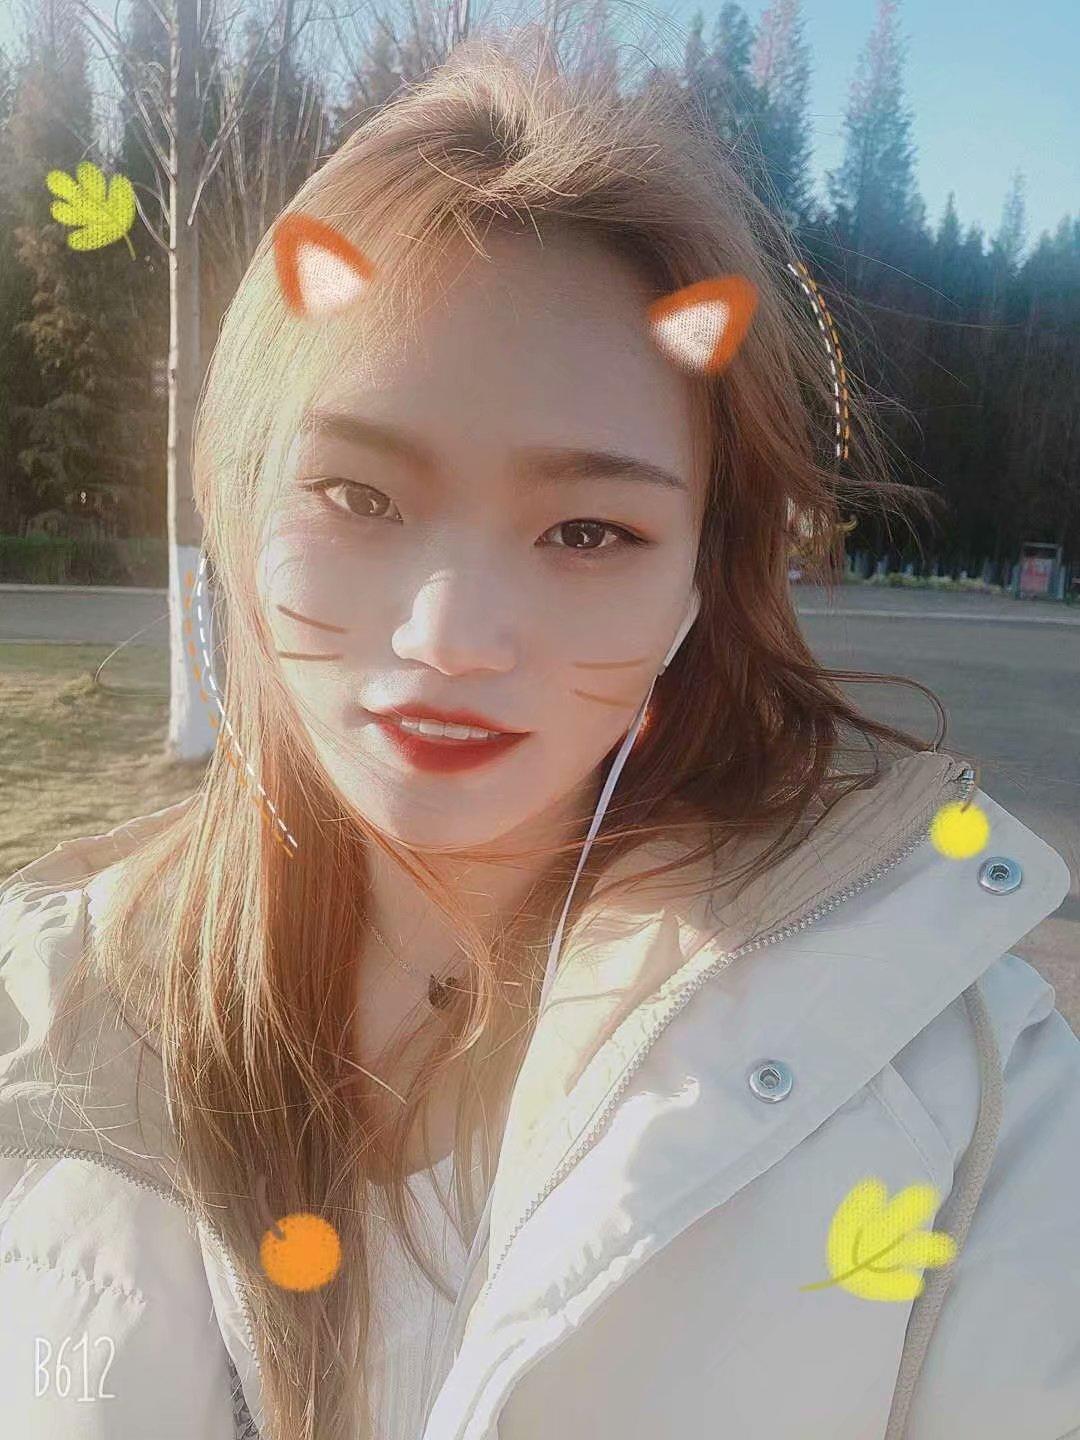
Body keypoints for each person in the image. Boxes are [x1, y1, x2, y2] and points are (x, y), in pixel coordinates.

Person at [2, 20, 1079, 1440]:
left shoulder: (959, 1086)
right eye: (359, 498)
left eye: (589, 530)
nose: (451, 636)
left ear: (702, 579)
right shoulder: (42, 1020)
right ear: (238, 504)